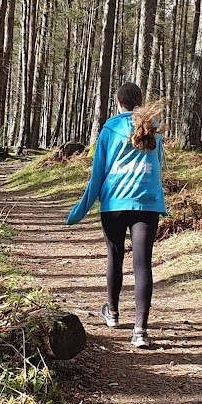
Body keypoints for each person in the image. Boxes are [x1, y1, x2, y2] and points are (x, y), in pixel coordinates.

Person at [66, 81, 166, 348]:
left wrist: (81, 208)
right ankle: (140, 331)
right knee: (143, 264)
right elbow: (160, 166)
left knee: (116, 255)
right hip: (147, 203)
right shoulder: (152, 127)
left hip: (114, 204)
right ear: (139, 102)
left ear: (118, 102)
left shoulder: (110, 128)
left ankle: (112, 312)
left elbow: (98, 171)